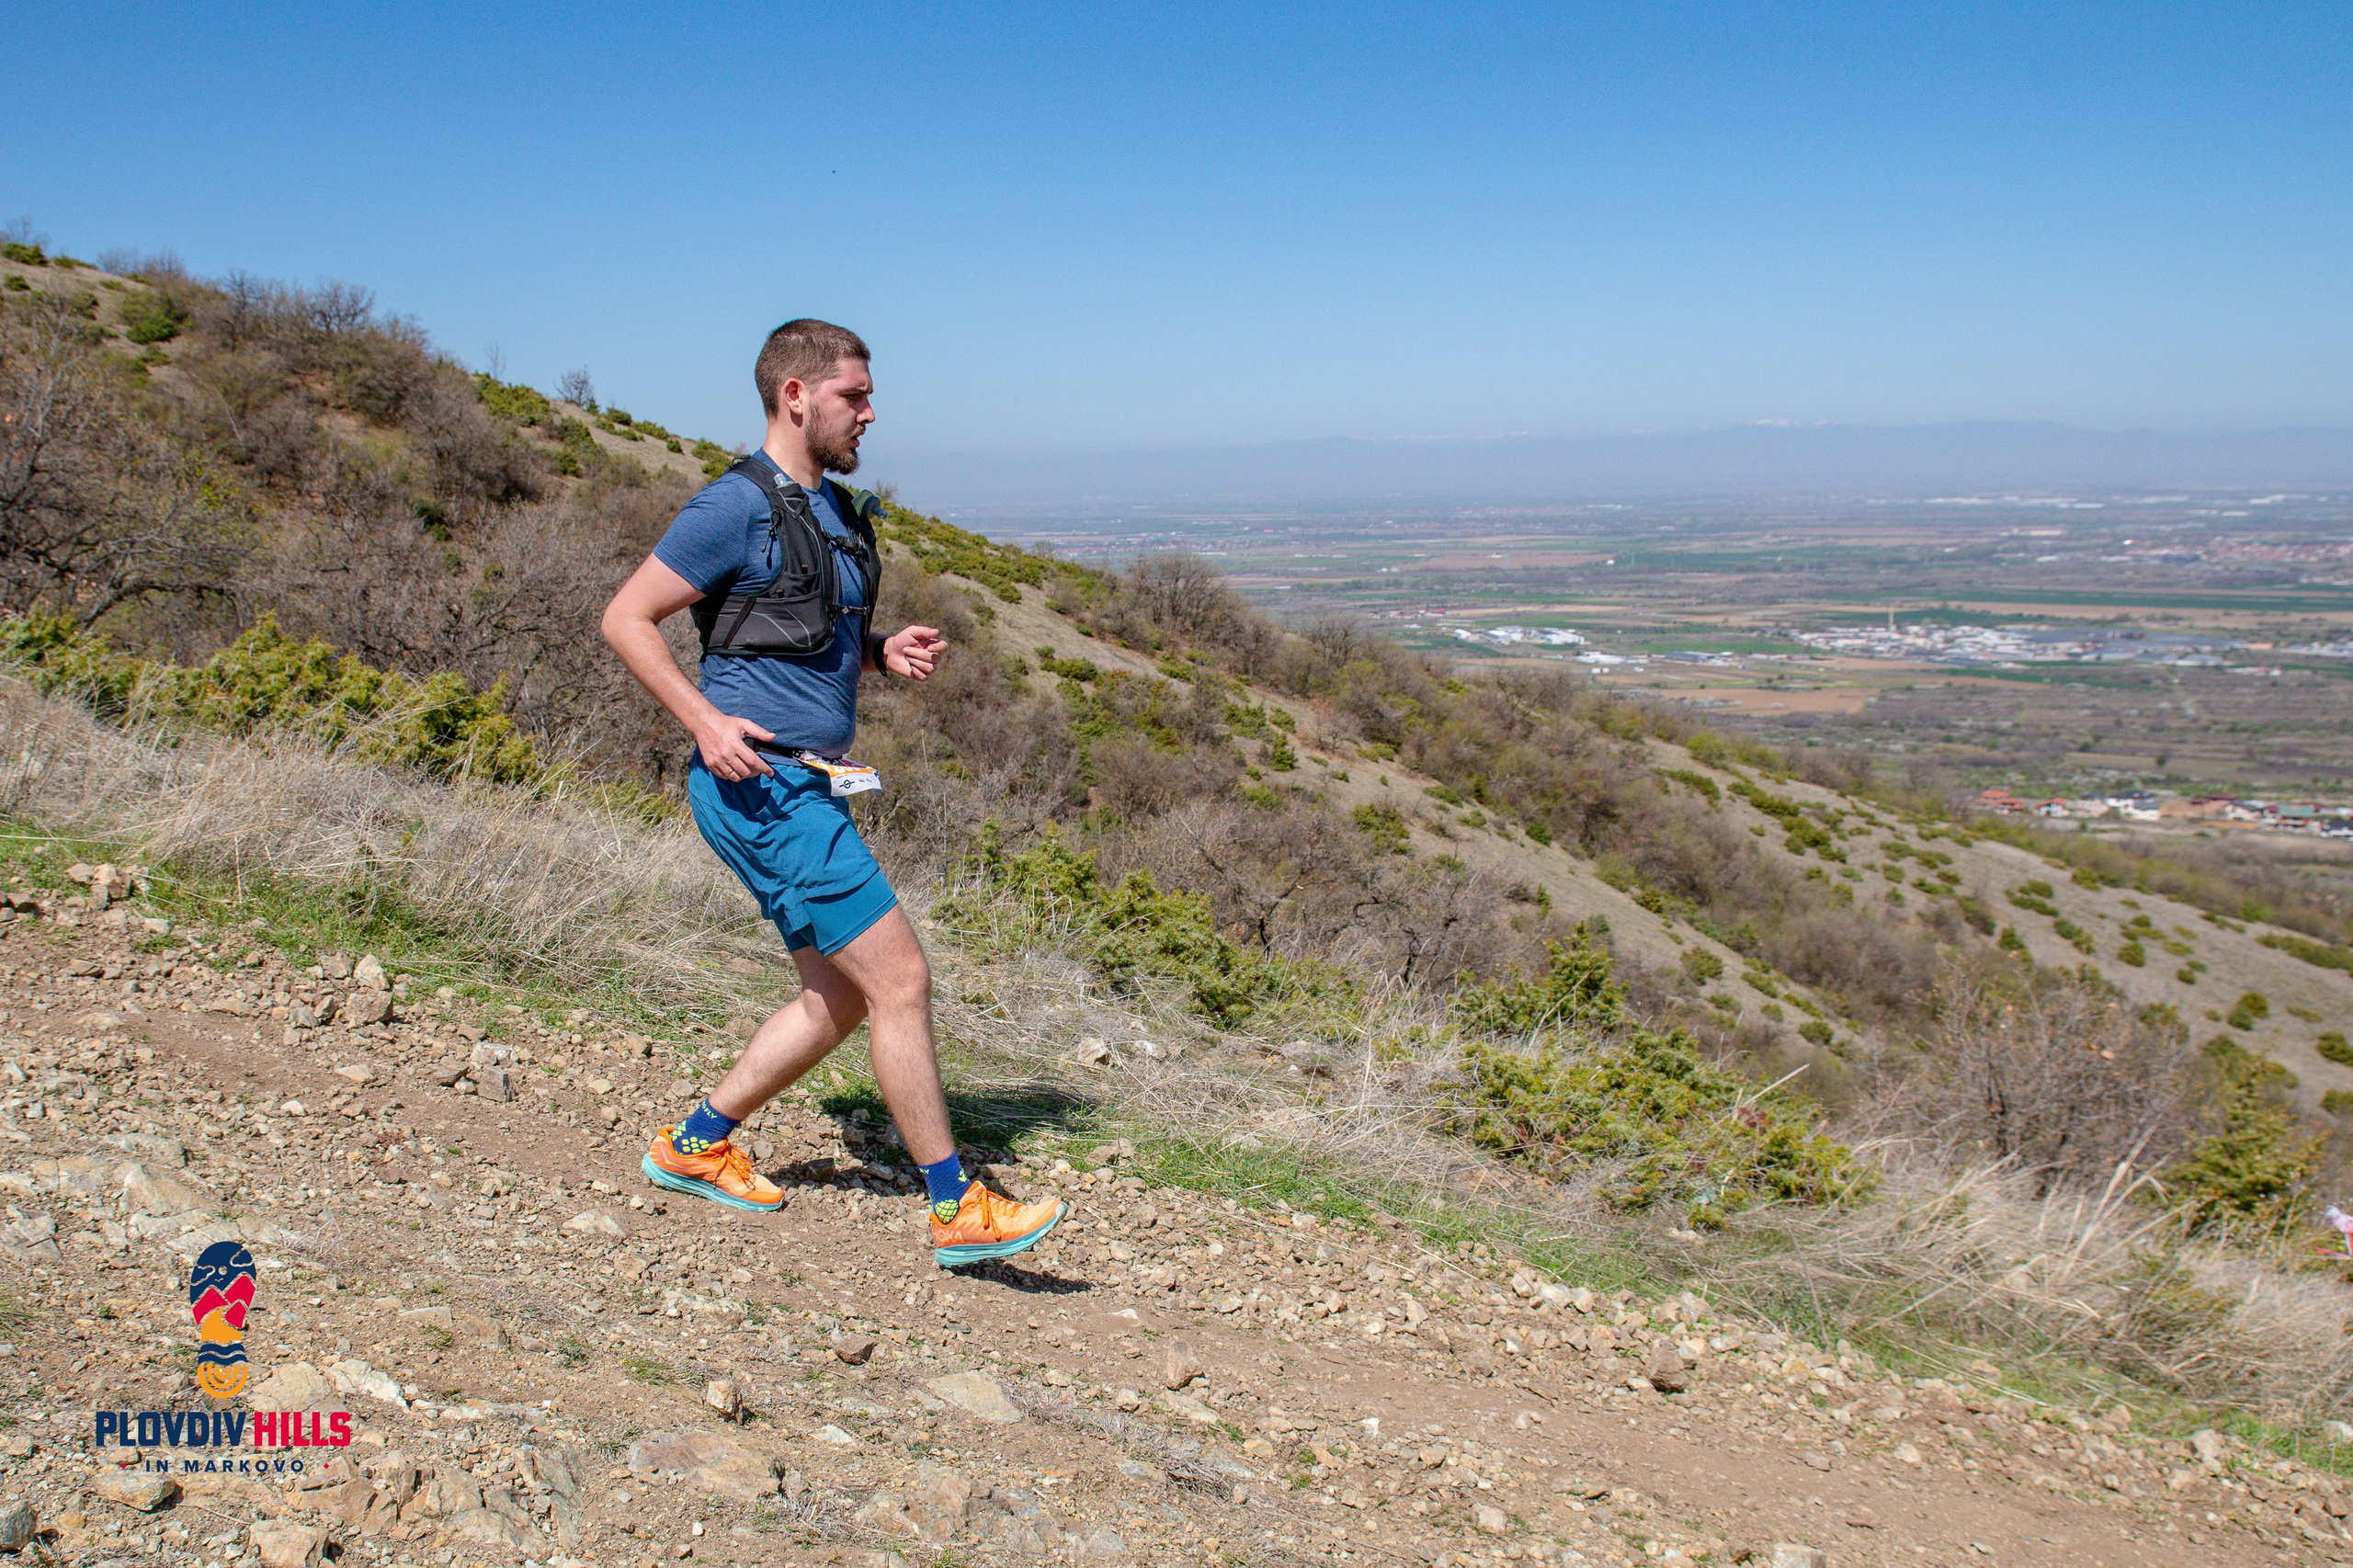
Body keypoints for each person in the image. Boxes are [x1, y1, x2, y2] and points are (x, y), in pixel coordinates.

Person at [599, 318, 1065, 1268]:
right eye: (854, 395)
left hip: (807, 782)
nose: (869, 413)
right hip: (763, 784)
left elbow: (798, 631)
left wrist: (881, 651)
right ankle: (955, 1205)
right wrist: (705, 721)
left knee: (839, 999)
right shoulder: (733, 505)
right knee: (900, 979)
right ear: (795, 395)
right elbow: (626, 616)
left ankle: (695, 1144)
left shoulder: (834, 512)